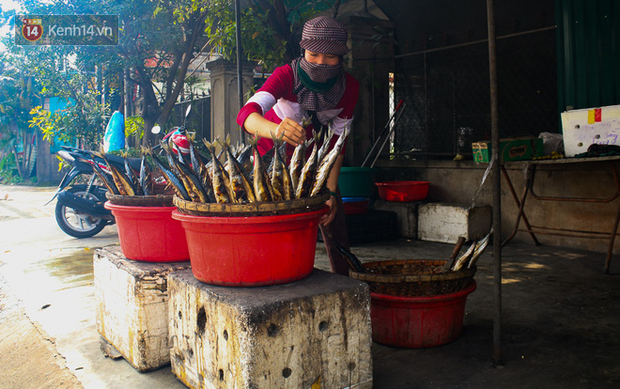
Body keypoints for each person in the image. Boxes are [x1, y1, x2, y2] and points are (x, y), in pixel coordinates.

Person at [236, 15, 360, 276]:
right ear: (303, 49)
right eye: (313, 54)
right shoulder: (286, 75)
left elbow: (339, 139)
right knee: (272, 218)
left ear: (341, 57)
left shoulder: (349, 88)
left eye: (330, 57)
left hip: (313, 157)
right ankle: (267, 273)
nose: (320, 62)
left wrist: (329, 190)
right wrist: (276, 130)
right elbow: (247, 114)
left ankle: (344, 279)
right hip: (272, 157)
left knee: (332, 211)